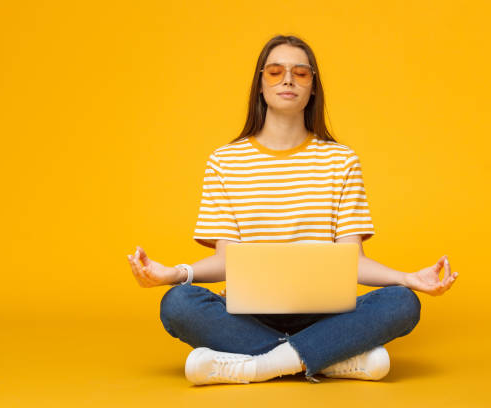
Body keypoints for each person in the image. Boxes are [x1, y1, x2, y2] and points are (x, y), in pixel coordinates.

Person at [126, 34, 459, 386]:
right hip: (247, 315)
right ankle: (331, 359)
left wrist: (408, 279)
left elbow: (352, 260)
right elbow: (226, 260)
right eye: (275, 71)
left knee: (402, 303)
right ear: (260, 84)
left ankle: (258, 366)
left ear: (313, 87)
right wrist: (173, 274)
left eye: (301, 72)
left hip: (326, 315)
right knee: (178, 304)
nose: (288, 79)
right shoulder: (225, 162)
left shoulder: (341, 160)